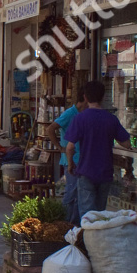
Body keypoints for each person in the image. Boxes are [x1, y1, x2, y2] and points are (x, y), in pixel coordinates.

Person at [64, 80, 130, 220]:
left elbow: (70, 147)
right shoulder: (111, 119)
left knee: (88, 216)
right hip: (105, 172)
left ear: (85, 97)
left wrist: (70, 164)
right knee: (100, 214)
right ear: (102, 97)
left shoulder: (80, 118)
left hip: (86, 171)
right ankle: (98, 239)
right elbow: (126, 143)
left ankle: (87, 240)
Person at [49, 91, 87, 224]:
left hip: (80, 159)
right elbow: (51, 129)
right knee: (71, 193)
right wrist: (60, 147)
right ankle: (64, 224)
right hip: (71, 159)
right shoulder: (70, 114)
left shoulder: (82, 115)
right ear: (85, 100)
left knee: (78, 195)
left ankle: (74, 224)